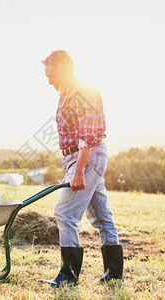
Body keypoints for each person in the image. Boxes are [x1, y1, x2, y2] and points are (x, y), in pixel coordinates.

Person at [39, 50, 123, 286]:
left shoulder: (84, 90)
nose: (49, 80)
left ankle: (68, 276)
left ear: (65, 70)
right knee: (102, 217)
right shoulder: (66, 93)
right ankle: (114, 273)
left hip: (86, 156)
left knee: (64, 213)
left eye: (51, 74)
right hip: (78, 158)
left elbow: (87, 135)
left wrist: (78, 171)